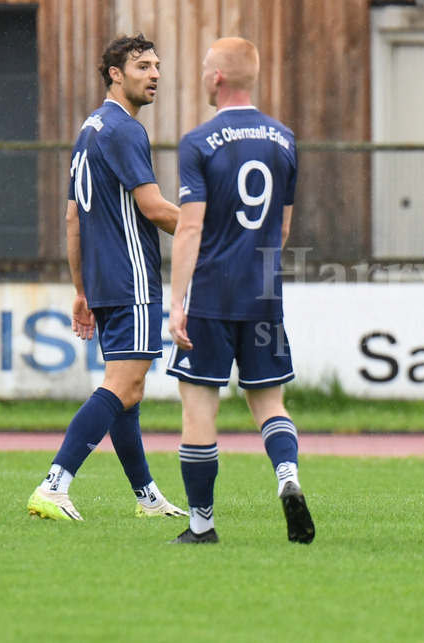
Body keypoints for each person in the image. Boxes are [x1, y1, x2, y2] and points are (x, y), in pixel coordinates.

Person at [27, 34, 186, 521]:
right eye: (142, 66)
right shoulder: (124, 130)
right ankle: (55, 484)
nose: (154, 74)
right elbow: (155, 208)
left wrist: (81, 288)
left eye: (157, 65)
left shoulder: (89, 130)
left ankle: (147, 498)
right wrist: (214, 231)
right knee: (122, 386)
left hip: (103, 278)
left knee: (128, 392)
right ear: (115, 74)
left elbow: (73, 218)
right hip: (133, 277)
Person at [165, 37, 312, 545]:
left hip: (210, 295)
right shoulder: (285, 140)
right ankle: (287, 477)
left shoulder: (198, 142)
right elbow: (285, 226)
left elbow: (189, 229)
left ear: (218, 78)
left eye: (206, 68)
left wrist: (177, 300)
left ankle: (201, 525)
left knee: (199, 406)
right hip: (264, 294)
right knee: (270, 403)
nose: (204, 75)